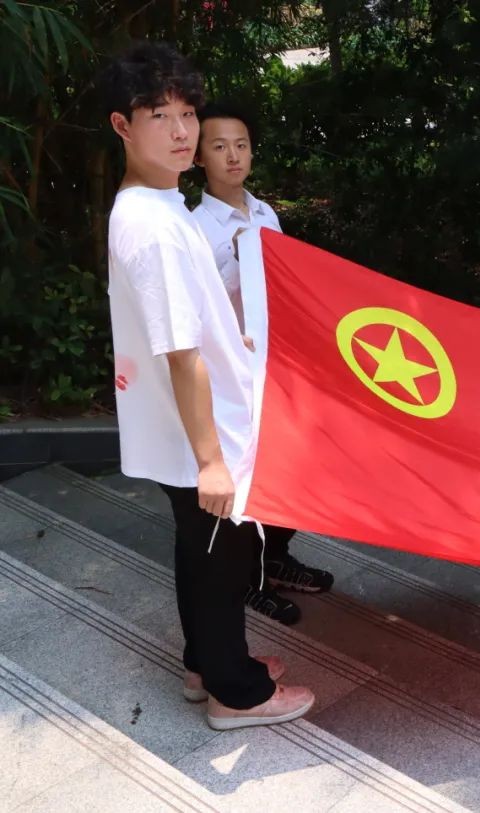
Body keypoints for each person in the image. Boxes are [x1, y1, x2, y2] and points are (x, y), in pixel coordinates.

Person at [99, 41, 313, 729]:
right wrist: (212, 460)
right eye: (158, 115)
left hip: (187, 425)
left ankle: (204, 664)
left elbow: (198, 323)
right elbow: (181, 352)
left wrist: (236, 344)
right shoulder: (155, 227)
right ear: (122, 125)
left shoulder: (160, 205)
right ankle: (236, 692)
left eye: (187, 112)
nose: (181, 130)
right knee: (225, 560)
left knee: (200, 551)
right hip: (201, 429)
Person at [191, 101, 333, 626]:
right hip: (228, 378)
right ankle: (248, 582)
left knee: (285, 470)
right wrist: (236, 257)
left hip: (276, 371)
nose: (233, 156)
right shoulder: (194, 228)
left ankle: (276, 558)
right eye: (219, 146)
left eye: (241, 145)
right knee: (243, 482)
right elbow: (196, 312)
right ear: (199, 157)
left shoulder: (266, 214)